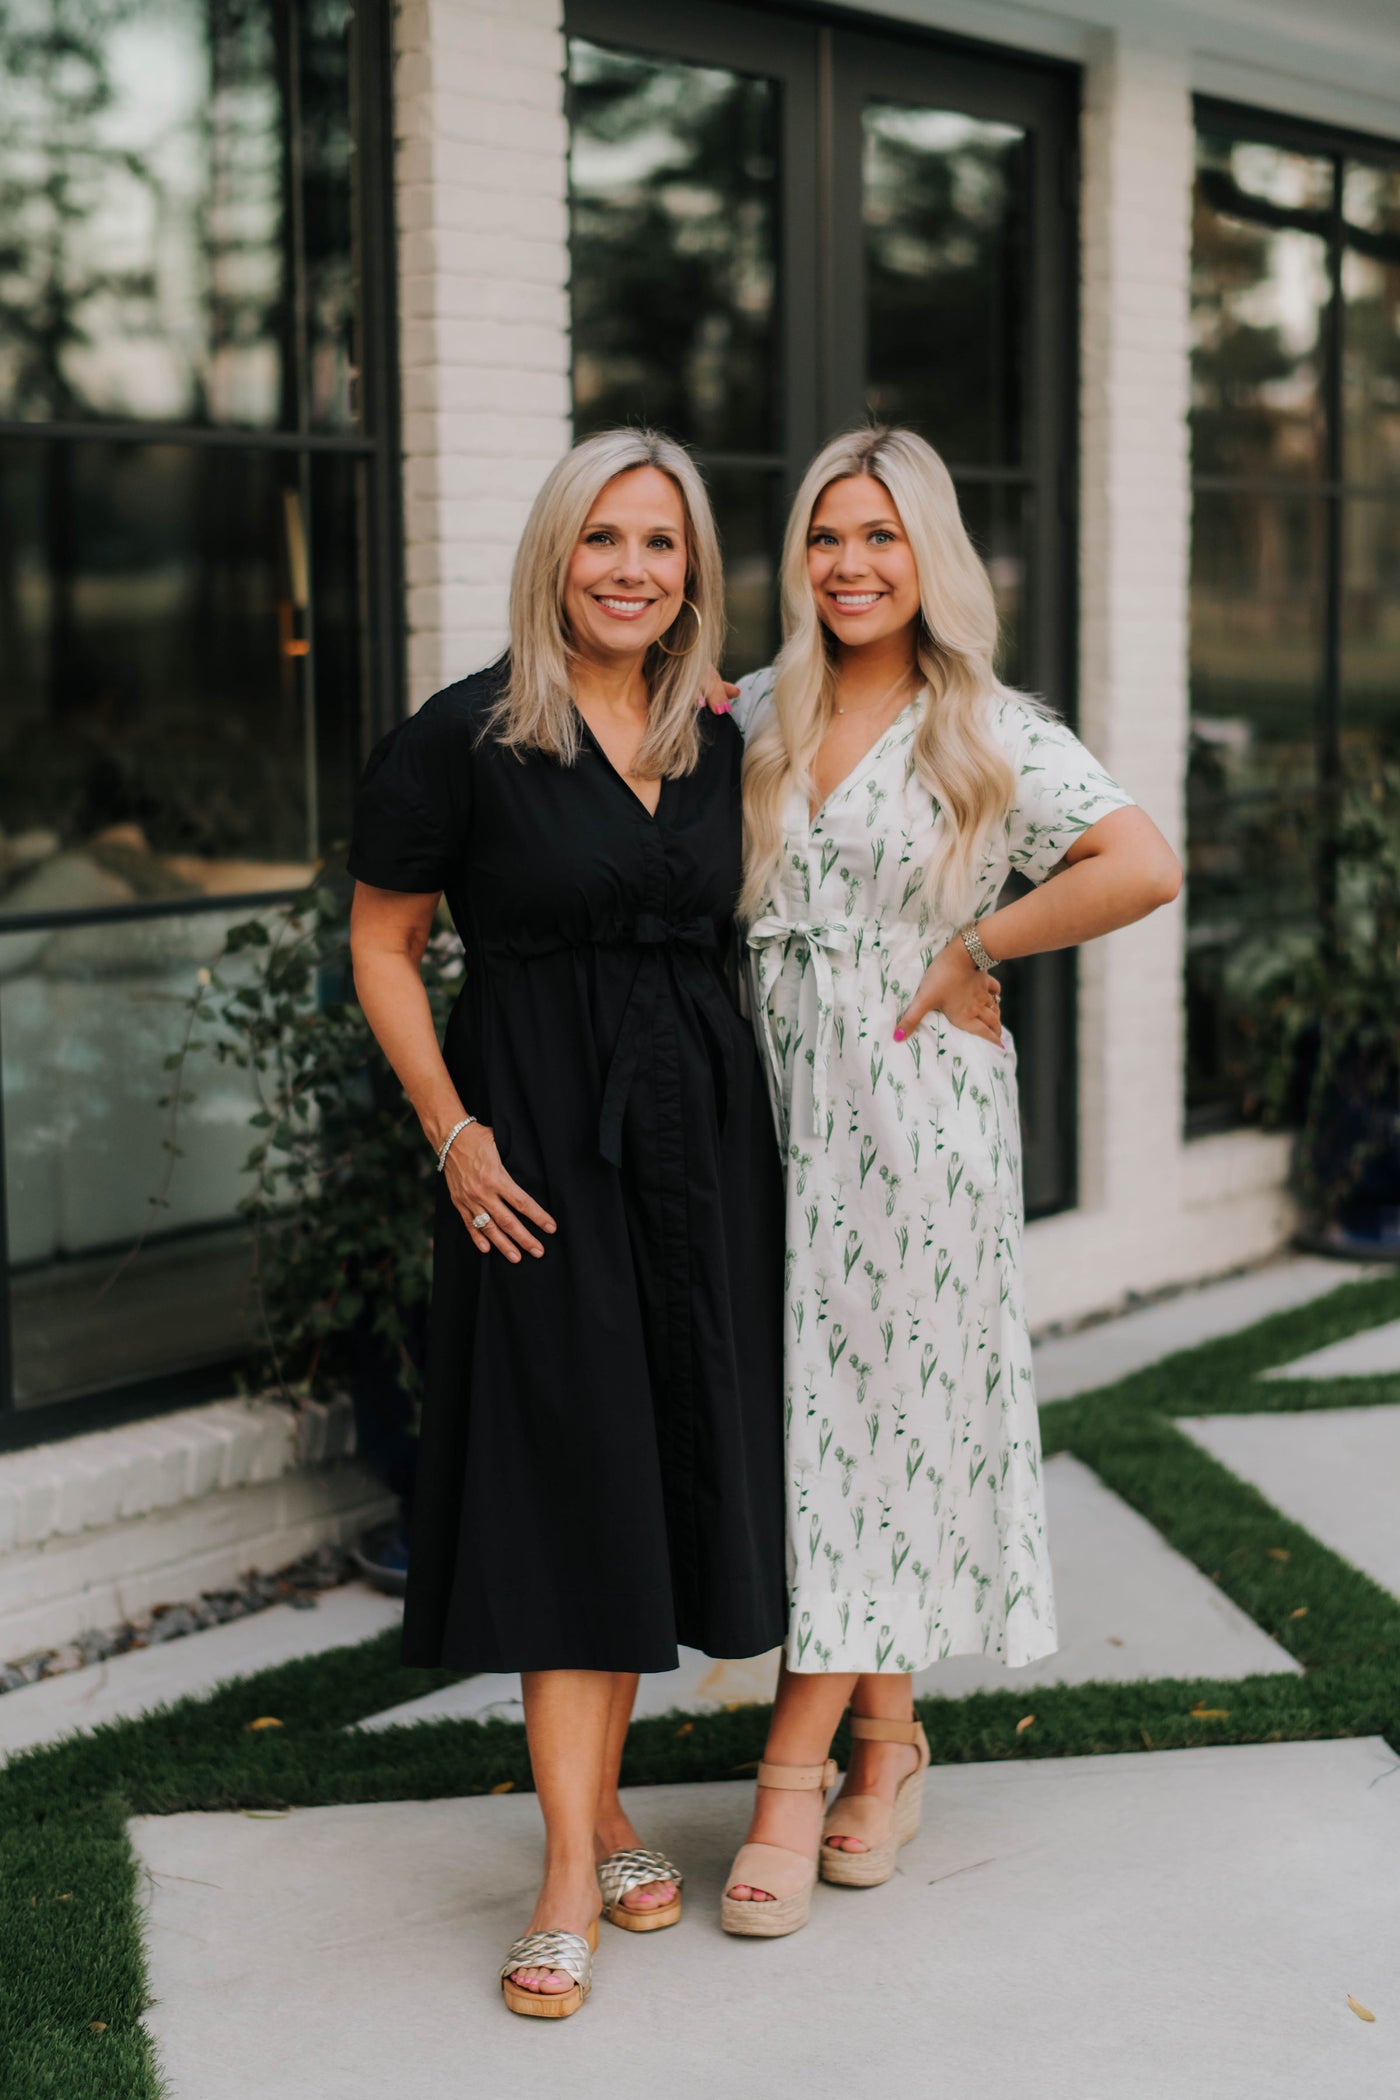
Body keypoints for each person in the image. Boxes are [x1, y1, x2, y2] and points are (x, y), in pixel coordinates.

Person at [710, 425, 1181, 1935]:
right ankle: (889, 1745)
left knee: (876, 1413)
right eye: (827, 538)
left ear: (931, 558)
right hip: (767, 1098)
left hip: (915, 1104)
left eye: (882, 538)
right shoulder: (752, 710)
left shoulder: (985, 721)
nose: (851, 565)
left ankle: (796, 1771)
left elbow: (1142, 862)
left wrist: (979, 945)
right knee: (836, 1423)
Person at [347, 429, 787, 2015]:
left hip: (705, 1144)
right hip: (533, 1147)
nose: (630, 570)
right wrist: (451, 1132)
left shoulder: (722, 728)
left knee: (658, 1463)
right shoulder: (464, 738)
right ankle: (560, 1875)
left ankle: (604, 1809)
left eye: (661, 545)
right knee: (570, 1471)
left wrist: (978, 956)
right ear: (556, 552)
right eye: (604, 538)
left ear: (694, 572)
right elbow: (384, 946)